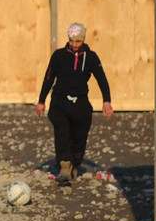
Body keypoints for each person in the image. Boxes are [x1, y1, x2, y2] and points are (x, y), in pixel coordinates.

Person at [36, 23, 113, 184]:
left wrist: (107, 101)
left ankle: (75, 164)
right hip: (60, 101)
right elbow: (49, 78)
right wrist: (41, 101)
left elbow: (101, 79)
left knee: (79, 136)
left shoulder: (91, 57)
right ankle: (64, 166)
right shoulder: (58, 56)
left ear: (83, 40)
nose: (74, 45)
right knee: (62, 131)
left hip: (80, 102)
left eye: (77, 42)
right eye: (71, 41)